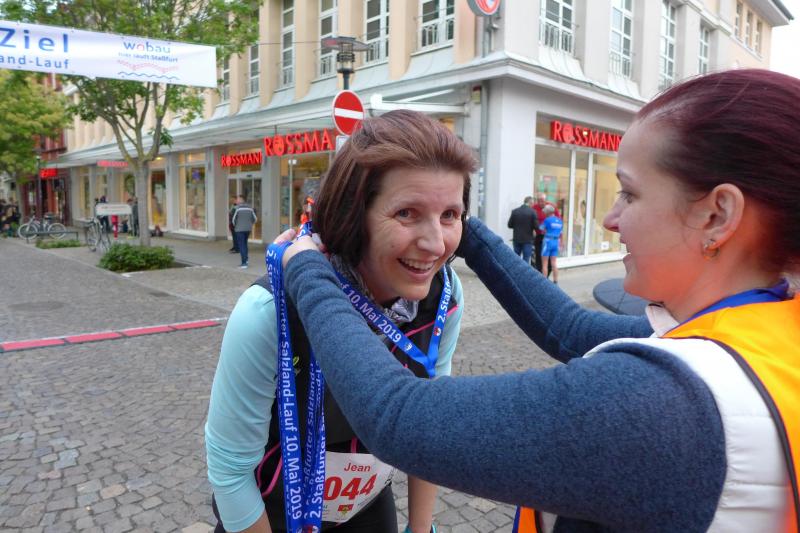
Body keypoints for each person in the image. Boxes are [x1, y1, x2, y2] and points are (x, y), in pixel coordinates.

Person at [275, 69, 800, 532]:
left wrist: (306, 267)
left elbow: (397, 417)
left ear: (717, 215)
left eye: (630, 192)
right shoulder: (766, 336)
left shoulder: (665, 404)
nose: (610, 218)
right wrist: (448, 218)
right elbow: (568, 330)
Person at [205, 110, 475, 533]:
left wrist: (421, 529)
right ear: (353, 213)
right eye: (407, 213)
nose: (435, 244)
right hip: (271, 511)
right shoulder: (267, 310)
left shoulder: (444, 296)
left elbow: (428, 422)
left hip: (365, 505)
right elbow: (230, 469)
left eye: (450, 215)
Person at [532, 193, 561, 272]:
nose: (540, 203)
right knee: (538, 256)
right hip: (539, 236)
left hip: (550, 237)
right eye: (539, 201)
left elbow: (558, 220)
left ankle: (546, 274)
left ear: (545, 200)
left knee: (550, 259)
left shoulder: (551, 207)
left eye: (542, 201)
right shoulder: (534, 208)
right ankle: (540, 274)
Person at [506, 196, 538, 265]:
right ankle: (524, 272)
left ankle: (515, 271)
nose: (532, 205)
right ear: (530, 203)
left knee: (516, 259)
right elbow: (536, 226)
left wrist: (518, 226)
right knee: (526, 259)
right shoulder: (533, 212)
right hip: (528, 240)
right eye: (532, 204)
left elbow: (509, 225)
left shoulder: (515, 211)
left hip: (516, 239)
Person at [539, 204, 563, 284]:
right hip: (556, 242)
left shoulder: (547, 220)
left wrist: (545, 230)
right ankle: (555, 281)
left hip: (548, 242)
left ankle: (544, 283)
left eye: (545, 212)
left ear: (548, 212)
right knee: (554, 263)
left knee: (544, 264)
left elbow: (541, 228)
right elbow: (561, 233)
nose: (544, 213)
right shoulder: (559, 221)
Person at [231, 195, 257, 269]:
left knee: (242, 246)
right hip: (248, 229)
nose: (237, 200)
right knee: (245, 244)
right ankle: (246, 259)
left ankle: (244, 263)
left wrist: (236, 226)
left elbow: (233, 220)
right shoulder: (250, 208)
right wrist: (250, 224)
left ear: (242, 200)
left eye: (238, 199)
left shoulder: (237, 208)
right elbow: (255, 219)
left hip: (239, 230)